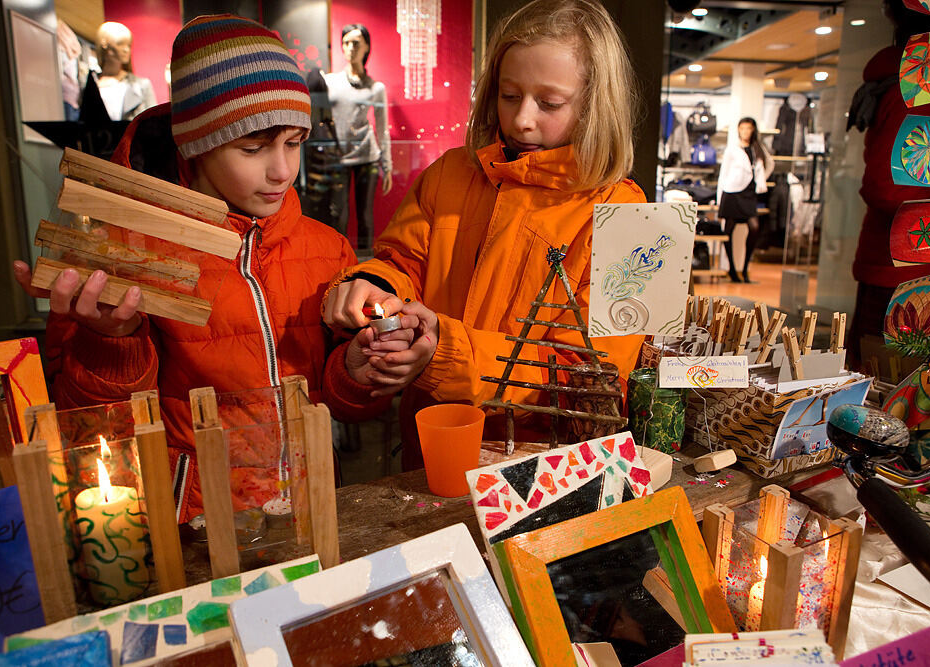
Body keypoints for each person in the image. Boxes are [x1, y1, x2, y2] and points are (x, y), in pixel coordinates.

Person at [13, 15, 406, 521]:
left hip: (308, 509)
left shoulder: (327, 249)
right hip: (194, 521)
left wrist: (360, 371)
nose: (282, 170)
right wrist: (111, 343)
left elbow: (338, 398)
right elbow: (93, 429)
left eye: (293, 143)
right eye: (252, 147)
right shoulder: (122, 253)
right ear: (195, 144)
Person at [323, 0, 646, 470]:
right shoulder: (452, 174)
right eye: (509, 95)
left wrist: (448, 353)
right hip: (431, 455)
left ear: (595, 105)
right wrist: (377, 287)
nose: (521, 120)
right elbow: (402, 261)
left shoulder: (623, 213)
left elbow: (591, 375)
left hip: (541, 470)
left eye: (549, 103)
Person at [846, 0, 930, 367]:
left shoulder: (917, 86)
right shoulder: (921, 90)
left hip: (907, 260)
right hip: (907, 263)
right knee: (891, 389)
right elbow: (888, 186)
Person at [324, 24, 392, 250]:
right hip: (338, 156)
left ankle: (365, 267)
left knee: (365, 214)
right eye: (346, 43)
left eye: (356, 43)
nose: (350, 48)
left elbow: (382, 128)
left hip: (367, 155)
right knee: (337, 214)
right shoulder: (330, 82)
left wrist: (388, 166)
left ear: (366, 47)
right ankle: (336, 261)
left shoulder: (376, 88)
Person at [716, 117, 773, 283]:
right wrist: (720, 198)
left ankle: (745, 268)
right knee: (728, 231)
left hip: (748, 193)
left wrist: (760, 180)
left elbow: (769, 164)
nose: (746, 132)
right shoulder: (732, 150)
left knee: (754, 227)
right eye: (743, 128)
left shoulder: (757, 149)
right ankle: (732, 269)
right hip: (732, 192)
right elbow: (723, 174)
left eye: (749, 128)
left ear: (753, 130)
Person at [94, 21, 156, 122]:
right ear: (104, 44)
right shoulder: (90, 86)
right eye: (120, 44)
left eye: (129, 45)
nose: (126, 50)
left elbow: (155, 122)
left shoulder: (142, 85)